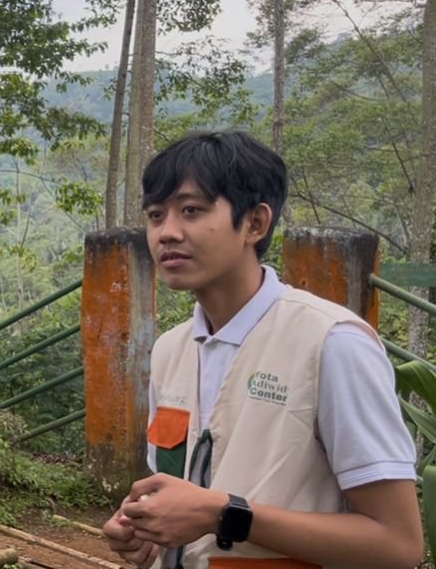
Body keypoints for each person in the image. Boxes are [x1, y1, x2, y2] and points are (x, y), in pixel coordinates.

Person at [102, 131, 423, 568]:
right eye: (156, 215)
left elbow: (398, 546)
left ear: (255, 223)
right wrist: (144, 528)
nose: (167, 233)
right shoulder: (170, 351)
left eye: (191, 210)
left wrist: (223, 514)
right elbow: (179, 495)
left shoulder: (332, 343)